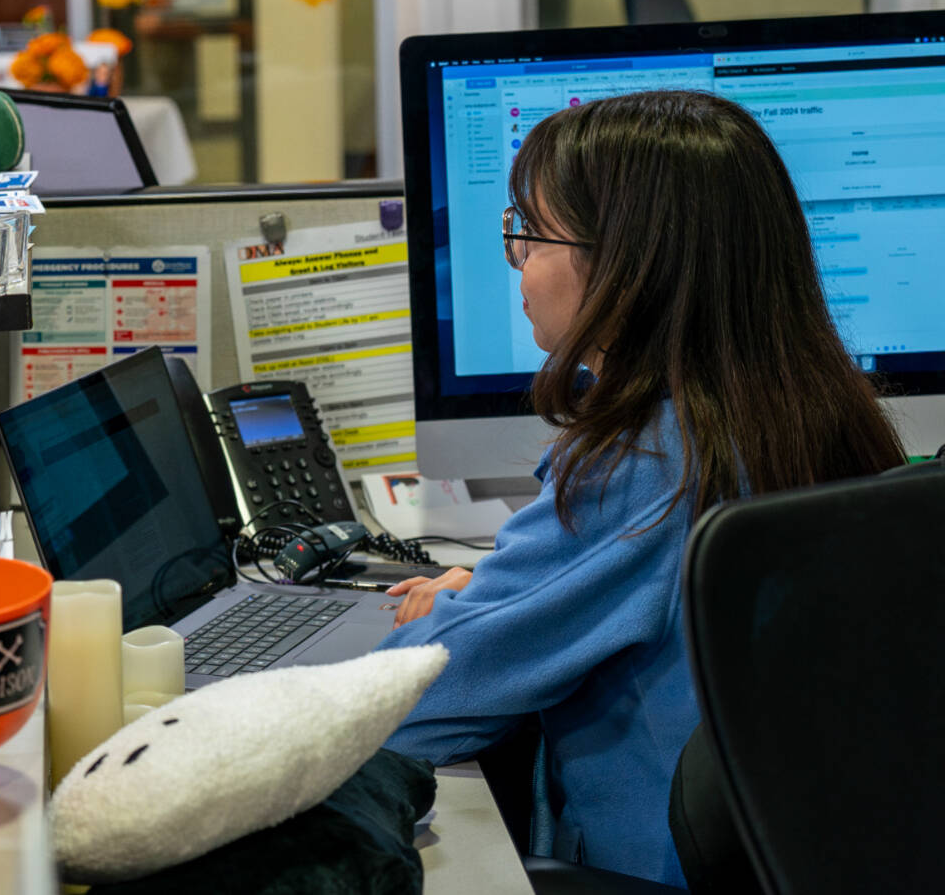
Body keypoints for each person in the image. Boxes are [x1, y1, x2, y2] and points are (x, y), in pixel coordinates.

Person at [376, 89, 904, 887]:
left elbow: (412, 707)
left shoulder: (641, 469)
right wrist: (499, 590)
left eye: (529, 230)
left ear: (625, 265)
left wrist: (463, 613)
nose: (515, 258)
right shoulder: (819, 410)